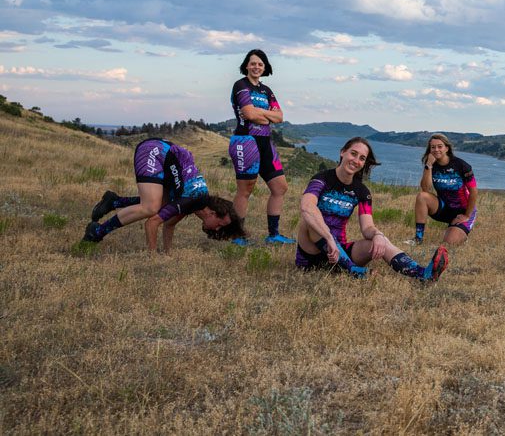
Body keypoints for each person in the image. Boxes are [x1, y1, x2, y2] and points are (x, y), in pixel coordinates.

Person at [296, 137, 448, 282]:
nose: (356, 160)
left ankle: (423, 274)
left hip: (341, 255)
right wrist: (328, 237)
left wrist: (378, 235)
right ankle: (354, 271)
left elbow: (367, 227)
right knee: (310, 222)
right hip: (311, 256)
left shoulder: (361, 191)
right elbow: (307, 207)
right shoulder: (322, 179)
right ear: (343, 152)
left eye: (362, 158)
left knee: (380, 240)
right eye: (353, 153)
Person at [83, 138, 243, 253]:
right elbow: (152, 223)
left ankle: (114, 202)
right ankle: (97, 232)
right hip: (154, 151)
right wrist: (153, 257)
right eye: (220, 225)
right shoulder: (193, 199)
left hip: (165, 156)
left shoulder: (195, 203)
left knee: (161, 204)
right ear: (212, 213)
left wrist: (167, 254)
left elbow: (169, 224)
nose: (217, 229)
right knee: (150, 208)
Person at [229, 49, 293, 245]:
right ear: (246, 66)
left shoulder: (267, 90)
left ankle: (273, 235)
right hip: (245, 141)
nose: (256, 67)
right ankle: (237, 236)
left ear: (265, 67)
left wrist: (260, 113)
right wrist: (265, 115)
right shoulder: (241, 85)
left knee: (280, 187)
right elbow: (249, 115)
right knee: (245, 190)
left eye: (260, 64)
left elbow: (280, 117)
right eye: (253, 63)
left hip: (265, 143)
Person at [409, 134, 477, 247]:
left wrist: (467, 215)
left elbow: (473, 192)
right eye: (433, 147)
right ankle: (418, 238)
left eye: (440, 146)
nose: (436, 149)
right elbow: (426, 189)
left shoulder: (461, 165)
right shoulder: (432, 165)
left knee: (448, 244)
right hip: (444, 208)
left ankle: (460, 233)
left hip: (463, 211)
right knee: (422, 196)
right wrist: (428, 165)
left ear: (447, 148)